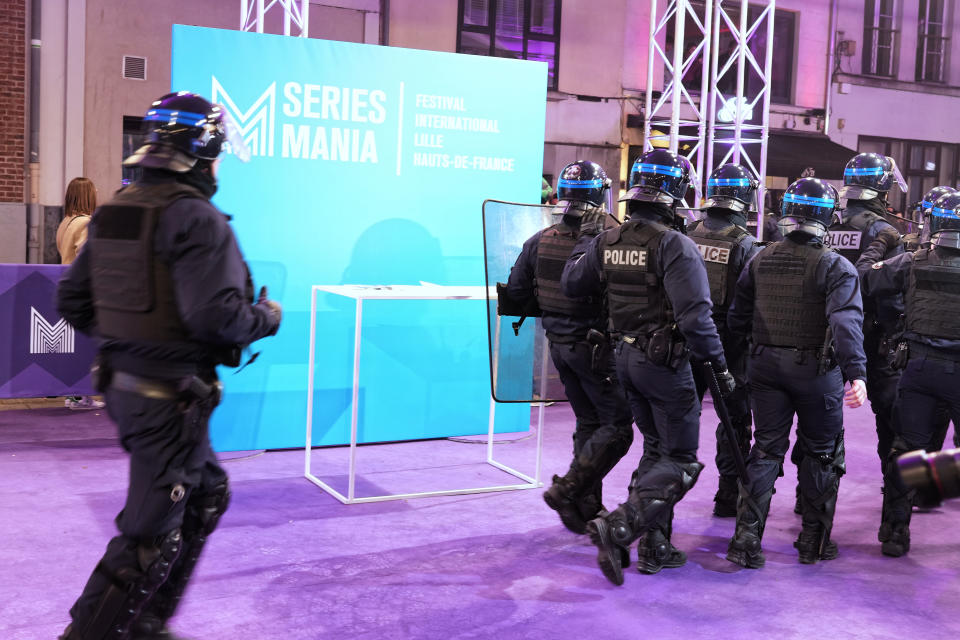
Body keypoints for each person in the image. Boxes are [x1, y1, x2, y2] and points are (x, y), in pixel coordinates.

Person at [56, 92, 282, 640]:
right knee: (147, 537)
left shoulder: (114, 211)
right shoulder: (198, 220)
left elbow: (74, 304)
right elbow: (217, 319)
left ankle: (147, 622)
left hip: (128, 389)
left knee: (206, 495)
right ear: (205, 152)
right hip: (169, 400)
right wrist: (265, 316)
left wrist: (133, 343)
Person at [561, 149, 734, 584]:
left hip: (624, 360)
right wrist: (719, 367)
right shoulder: (676, 244)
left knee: (657, 451)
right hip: (664, 365)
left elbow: (572, 284)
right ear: (675, 193)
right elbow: (696, 317)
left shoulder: (608, 240)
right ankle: (618, 526)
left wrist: (587, 239)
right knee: (682, 460)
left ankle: (655, 545)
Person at [725, 177, 867, 569]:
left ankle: (745, 540)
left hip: (764, 367)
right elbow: (844, 324)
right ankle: (812, 544)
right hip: (816, 372)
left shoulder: (761, 257)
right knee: (822, 454)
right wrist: (857, 374)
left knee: (766, 449)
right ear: (828, 217)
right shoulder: (836, 267)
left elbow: (737, 318)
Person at [506, 160, 634, 535]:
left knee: (589, 422)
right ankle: (570, 490)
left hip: (558, 347)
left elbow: (515, 293)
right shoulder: (611, 238)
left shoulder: (539, 239)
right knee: (616, 425)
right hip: (597, 349)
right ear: (600, 193)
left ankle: (586, 507)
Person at [857, 191, 960, 557]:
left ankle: (894, 531)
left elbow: (865, 278)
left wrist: (878, 245)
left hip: (919, 370)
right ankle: (936, 487)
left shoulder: (913, 261)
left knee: (906, 450)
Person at [687, 164, 762, 517]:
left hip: (681, 341)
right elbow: (752, 303)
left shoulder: (684, 235)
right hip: (728, 347)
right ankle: (727, 494)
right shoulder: (746, 244)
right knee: (732, 420)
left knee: (677, 420)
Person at [829, 153, 906, 473]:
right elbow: (892, 294)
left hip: (828, 333)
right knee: (893, 423)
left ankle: (810, 501)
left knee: (821, 423)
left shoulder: (829, 224)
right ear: (884, 188)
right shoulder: (885, 231)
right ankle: (898, 500)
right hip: (874, 336)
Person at [57, 177, 106, 411]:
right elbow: (86, 258)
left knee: (74, 346)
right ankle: (80, 395)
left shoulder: (65, 222)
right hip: (84, 292)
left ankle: (75, 395)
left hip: (67, 289)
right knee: (85, 346)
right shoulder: (85, 223)